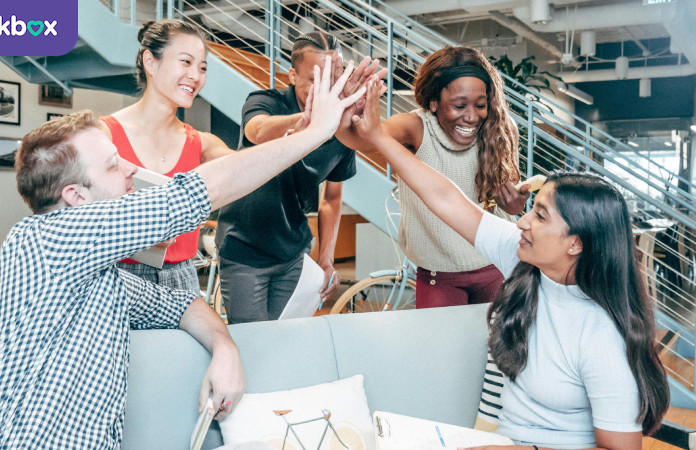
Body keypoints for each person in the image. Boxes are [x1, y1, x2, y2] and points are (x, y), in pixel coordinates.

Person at [0, 57, 365, 448]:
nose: (131, 171)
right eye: (111, 165)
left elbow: (184, 303)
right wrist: (315, 133)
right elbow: (196, 192)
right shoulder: (45, 240)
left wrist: (225, 347)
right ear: (75, 198)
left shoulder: (101, 275)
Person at [350, 81, 670, 449]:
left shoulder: (601, 336)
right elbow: (445, 198)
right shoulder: (522, 260)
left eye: (541, 216)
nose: (521, 221)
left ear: (576, 243)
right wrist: (377, 137)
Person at [337, 46, 530, 309]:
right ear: (433, 102)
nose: (472, 116)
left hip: (496, 266)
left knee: (495, 348)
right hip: (439, 276)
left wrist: (515, 207)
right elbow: (362, 140)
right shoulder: (415, 127)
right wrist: (345, 110)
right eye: (459, 105)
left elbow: (508, 206)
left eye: (481, 105)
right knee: (438, 349)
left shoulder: (500, 129)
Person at [215, 31, 382, 324]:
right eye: (315, 81)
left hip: (293, 253)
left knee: (287, 341)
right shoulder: (266, 101)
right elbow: (257, 130)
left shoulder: (341, 129)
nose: (327, 91)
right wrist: (306, 123)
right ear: (292, 75)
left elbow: (332, 198)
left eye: (334, 80)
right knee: (253, 343)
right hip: (245, 250)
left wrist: (327, 259)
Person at [101, 19, 235, 290]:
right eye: (186, 62)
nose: (196, 76)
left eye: (202, 68)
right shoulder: (104, 135)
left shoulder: (202, 144)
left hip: (183, 279)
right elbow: (75, 212)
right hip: (117, 276)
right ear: (150, 62)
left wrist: (305, 135)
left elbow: (250, 170)